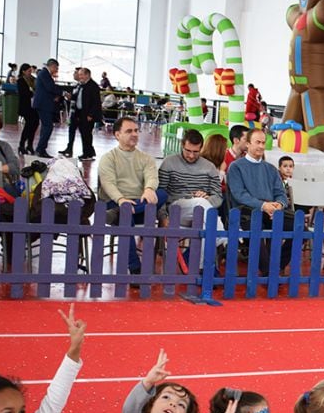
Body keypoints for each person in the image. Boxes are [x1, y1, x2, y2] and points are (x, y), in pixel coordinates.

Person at [98, 116, 167, 274]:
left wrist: (149, 189)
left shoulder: (146, 158)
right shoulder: (108, 158)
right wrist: (122, 200)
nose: (134, 134)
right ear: (117, 135)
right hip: (115, 204)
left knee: (162, 193)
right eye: (129, 131)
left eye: (136, 130)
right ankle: (135, 267)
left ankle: (130, 208)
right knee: (125, 214)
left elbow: (152, 176)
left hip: (141, 204)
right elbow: (108, 184)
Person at [226, 128, 294, 275]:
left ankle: (277, 266)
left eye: (263, 143)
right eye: (257, 142)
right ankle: (269, 272)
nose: (261, 146)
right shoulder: (236, 167)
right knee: (255, 228)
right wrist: (264, 206)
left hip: (272, 212)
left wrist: (279, 205)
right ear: (248, 144)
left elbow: (281, 194)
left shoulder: (271, 169)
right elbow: (239, 195)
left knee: (301, 229)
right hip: (246, 212)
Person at [159, 129, 223, 228]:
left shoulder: (210, 167)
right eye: (188, 150)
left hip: (202, 211)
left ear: (201, 148)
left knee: (203, 215)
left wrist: (207, 199)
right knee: (203, 207)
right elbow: (160, 192)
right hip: (176, 209)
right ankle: (223, 241)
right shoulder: (169, 162)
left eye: (196, 152)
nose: (191, 155)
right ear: (182, 145)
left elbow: (218, 196)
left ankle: (215, 242)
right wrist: (163, 216)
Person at [60, 68, 101, 161]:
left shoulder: (93, 86)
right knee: (83, 133)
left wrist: (91, 114)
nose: (80, 76)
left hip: (88, 115)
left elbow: (96, 102)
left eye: (82, 75)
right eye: (79, 75)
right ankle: (88, 152)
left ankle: (87, 154)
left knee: (86, 134)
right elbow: (76, 97)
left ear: (87, 75)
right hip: (80, 113)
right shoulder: (80, 85)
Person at [32, 59, 62, 157]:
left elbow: (47, 89)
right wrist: (62, 92)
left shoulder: (44, 74)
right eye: (56, 68)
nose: (57, 70)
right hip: (43, 105)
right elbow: (50, 87)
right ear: (52, 66)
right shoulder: (44, 74)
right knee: (48, 126)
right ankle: (40, 149)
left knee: (45, 127)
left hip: (44, 104)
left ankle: (41, 149)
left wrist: (55, 96)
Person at [16, 63, 37, 155]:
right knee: (28, 125)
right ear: (23, 71)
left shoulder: (33, 80)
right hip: (26, 106)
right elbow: (24, 93)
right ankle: (22, 144)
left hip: (34, 106)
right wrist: (32, 93)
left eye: (31, 71)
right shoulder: (20, 81)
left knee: (35, 124)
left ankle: (30, 144)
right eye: (28, 71)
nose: (30, 73)